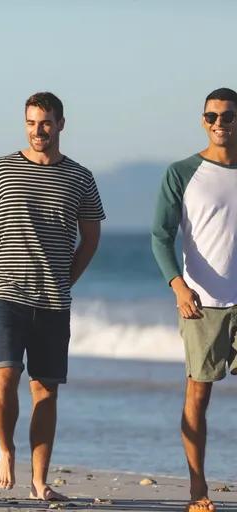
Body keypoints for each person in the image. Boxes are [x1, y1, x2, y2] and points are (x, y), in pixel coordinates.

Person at [0, 92, 104, 501]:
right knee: (5, 377)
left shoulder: (80, 177)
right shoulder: (0, 169)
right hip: (5, 292)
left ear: (61, 124)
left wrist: (68, 279)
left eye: (45, 122)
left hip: (53, 300)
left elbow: (91, 238)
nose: (38, 130)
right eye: (31, 123)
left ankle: (40, 481)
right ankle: (6, 450)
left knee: (46, 390)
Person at [151, 87, 237, 512]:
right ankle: (197, 489)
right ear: (202, 121)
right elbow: (160, 236)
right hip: (202, 302)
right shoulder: (182, 171)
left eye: (227, 116)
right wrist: (178, 286)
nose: (219, 124)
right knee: (197, 397)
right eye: (211, 117)